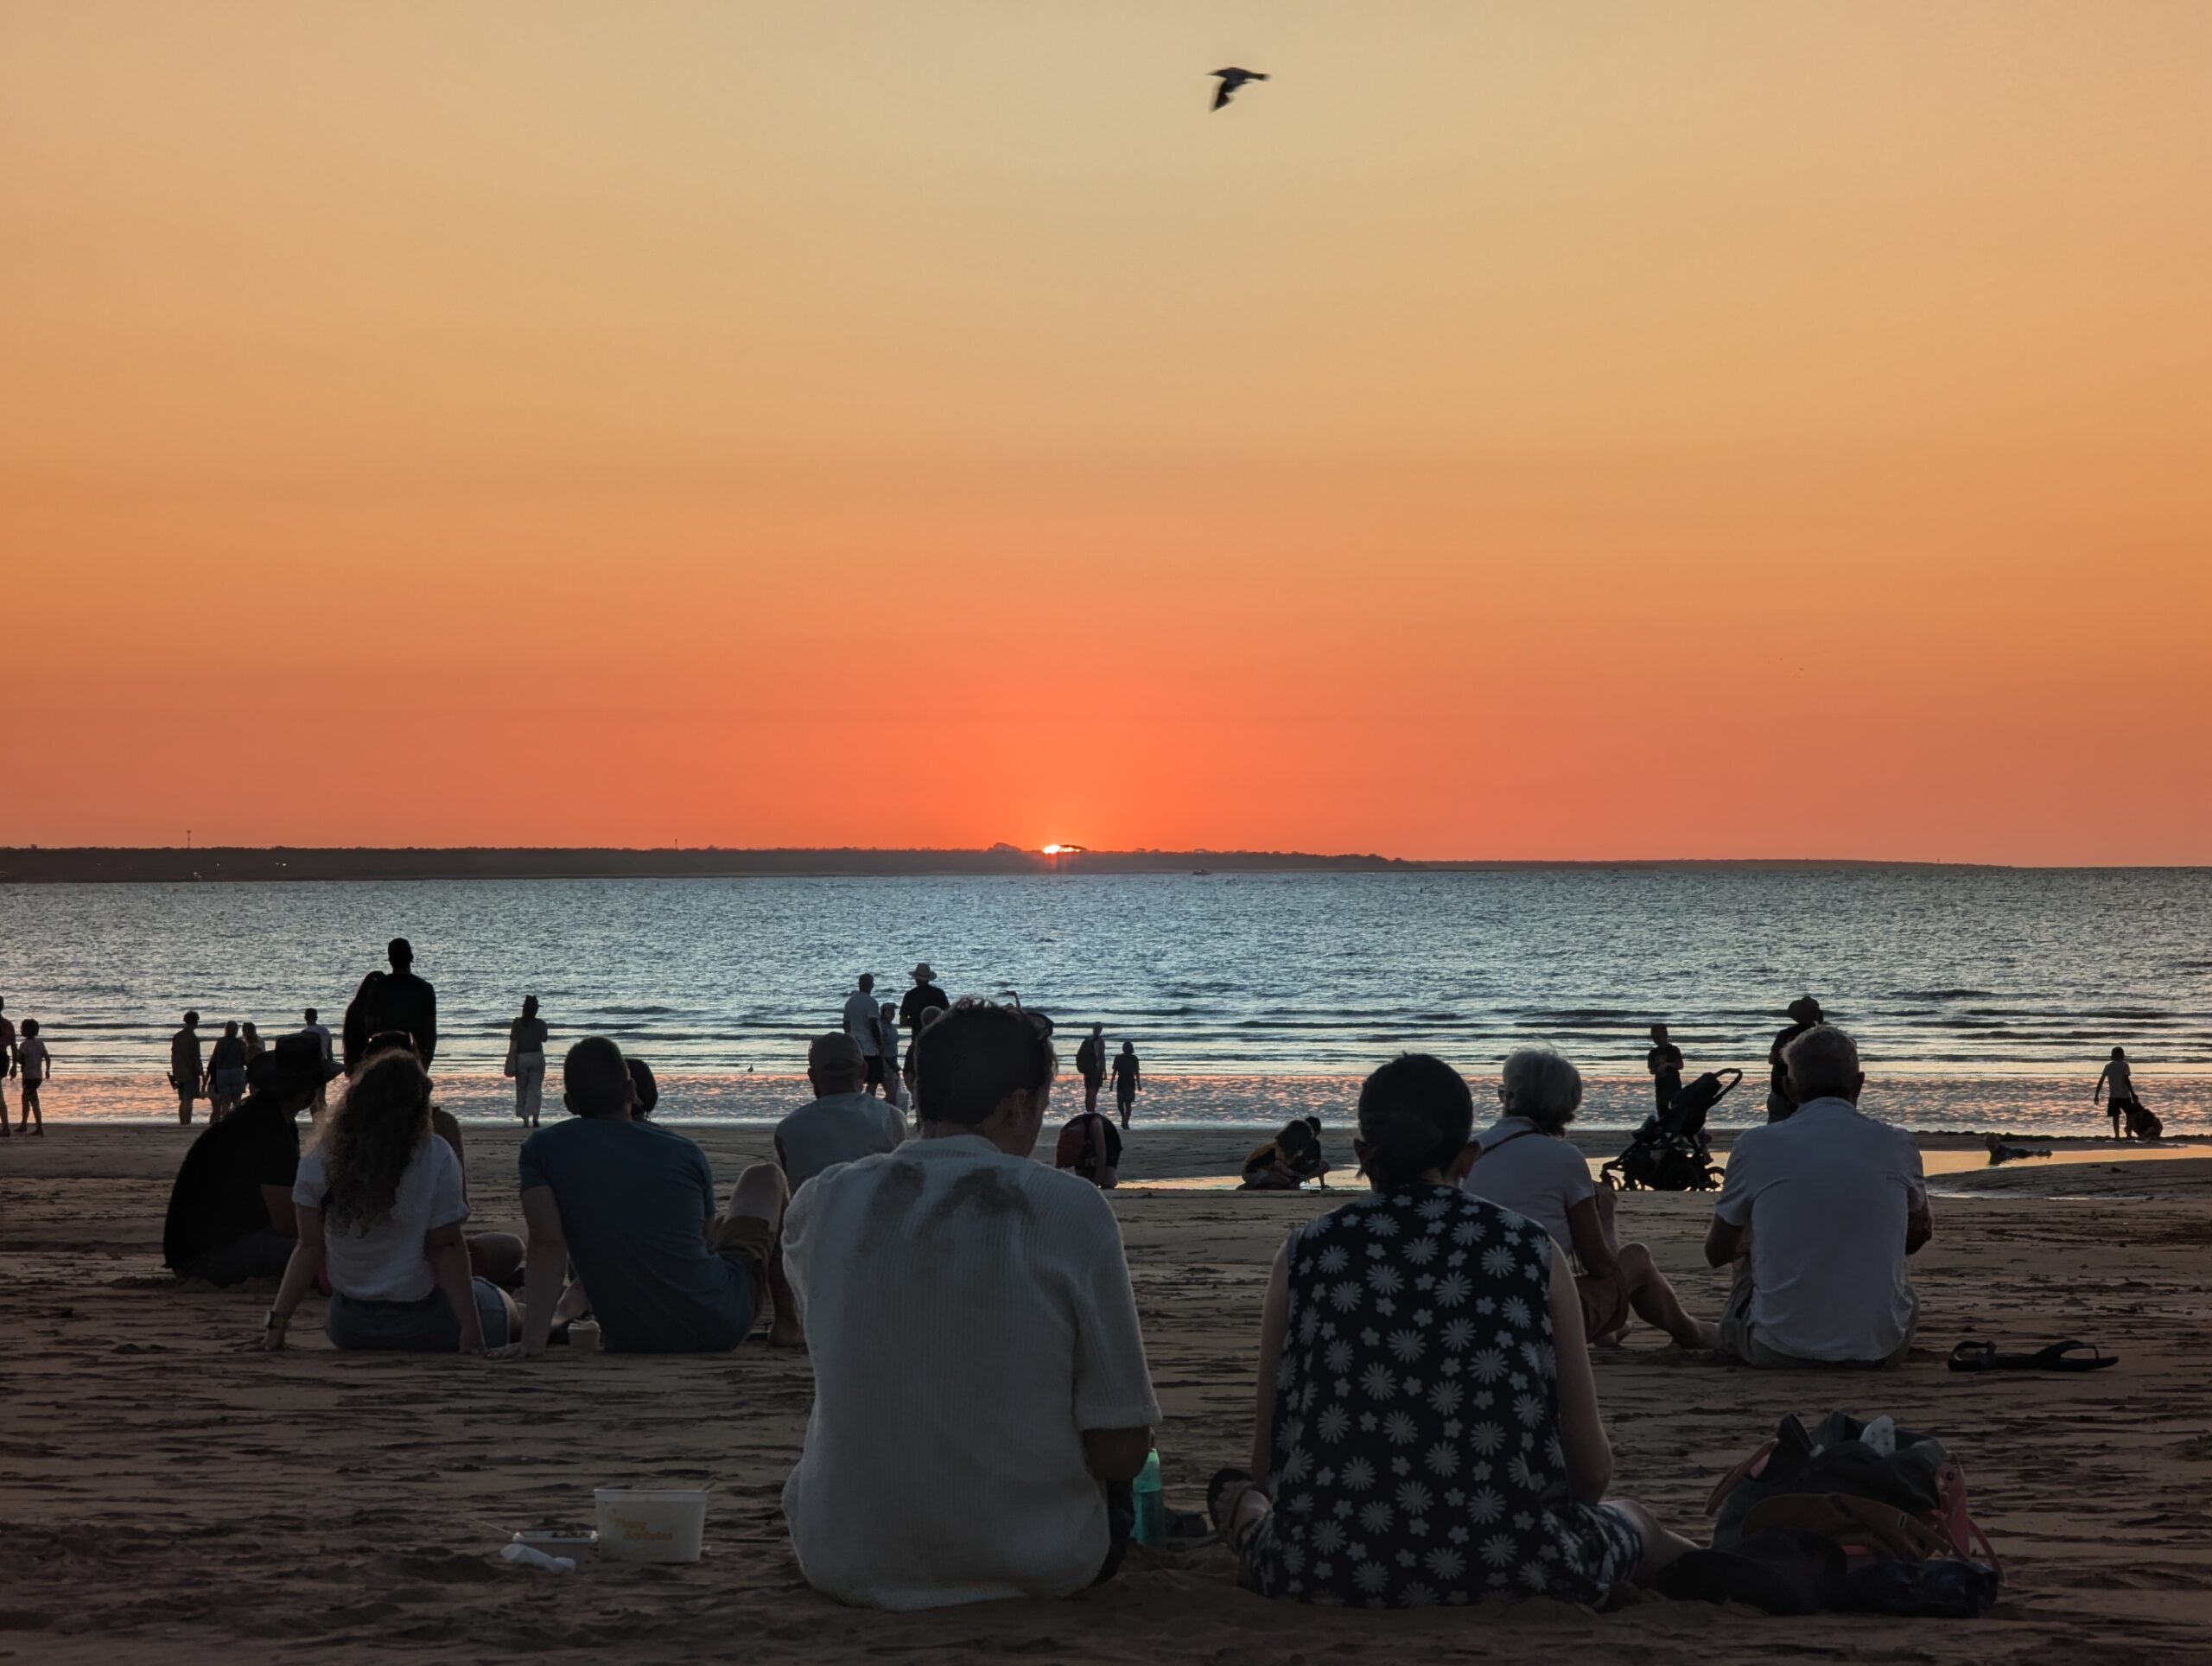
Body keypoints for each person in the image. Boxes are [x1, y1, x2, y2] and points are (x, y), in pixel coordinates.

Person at [1215, 1052, 1693, 1608]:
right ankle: (1744, 1573)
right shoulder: (1530, 1249)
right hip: (1518, 1563)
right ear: (1469, 1158)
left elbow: (1268, 1467)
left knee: (1240, 1499)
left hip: (1324, 1565)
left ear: (1363, 1156)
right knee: (1637, 1521)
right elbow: (1591, 1473)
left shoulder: (1303, 1253)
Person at [780, 998, 1160, 1609]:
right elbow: (1121, 1450)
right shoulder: (1068, 1207)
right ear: (1016, 1105)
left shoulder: (820, 1203)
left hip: (843, 1556)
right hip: (1039, 1559)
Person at [513, 1037, 787, 1356]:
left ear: (570, 1104)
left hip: (631, 1336)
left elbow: (547, 1245)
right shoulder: (684, 1152)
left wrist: (532, 1341)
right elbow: (702, 1240)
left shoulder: (541, 1150)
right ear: (632, 1092)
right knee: (766, 1176)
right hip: (720, 1321)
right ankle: (788, 1323)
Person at [1705, 1025, 1931, 1369]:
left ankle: (1772, 1323)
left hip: (1777, 1349)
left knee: (1748, 1237)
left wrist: (1757, 1240)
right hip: (1882, 1349)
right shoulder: (1898, 1144)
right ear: (1858, 1084)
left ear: (1788, 1088)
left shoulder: (1755, 1145)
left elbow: (1717, 1251)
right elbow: (1919, 1233)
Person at [262, 1048, 514, 1353]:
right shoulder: (434, 1153)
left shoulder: (320, 1158)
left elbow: (308, 1247)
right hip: (425, 1320)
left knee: (495, 1292)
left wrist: (277, 1327)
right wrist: (471, 1331)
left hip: (348, 1325)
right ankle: (557, 1320)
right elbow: (444, 1246)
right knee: (504, 1304)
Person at [1465, 1046, 1716, 1351]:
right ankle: (1691, 1332)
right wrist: (1605, 1211)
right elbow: (1600, 1266)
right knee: (1636, 1257)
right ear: (1568, 1106)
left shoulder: (1468, 1152)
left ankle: (1608, 1333)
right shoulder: (1564, 1159)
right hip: (1534, 1325)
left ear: (1505, 1096)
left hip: (1471, 1316)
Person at [161, 1036, 339, 1285]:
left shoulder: (267, 1118)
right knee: (334, 1256)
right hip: (211, 1254)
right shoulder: (267, 1128)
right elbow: (286, 1222)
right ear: (308, 1094)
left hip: (214, 1243)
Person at [341, 938, 437, 1071]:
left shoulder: (378, 987)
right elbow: (430, 1033)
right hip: (412, 1058)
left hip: (381, 1056)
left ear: (390, 961)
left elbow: (370, 1027)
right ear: (411, 958)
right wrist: (425, 1064)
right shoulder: (425, 989)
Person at [1764, 995, 1824, 1121]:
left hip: (1781, 1088)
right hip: (1812, 1091)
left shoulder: (1785, 1035)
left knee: (1776, 1124)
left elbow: (1772, 1059)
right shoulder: (1824, 1036)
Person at [1241, 1117, 1330, 1190]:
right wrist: (1293, 1175)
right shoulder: (1277, 1148)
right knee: (1285, 1183)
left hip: (1270, 1171)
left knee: (1286, 1182)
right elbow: (1277, 1165)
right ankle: (1252, 1187)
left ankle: (1269, 1185)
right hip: (1253, 1171)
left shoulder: (1290, 1151)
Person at [1053, 1108, 1123, 1188]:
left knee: (1108, 1182)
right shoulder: (1066, 1134)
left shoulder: (1095, 1125)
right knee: (1084, 1181)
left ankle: (1106, 1175)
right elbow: (1059, 1162)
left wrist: (1095, 1186)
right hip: (1083, 1140)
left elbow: (1102, 1157)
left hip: (1109, 1141)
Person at [507, 995, 549, 1128]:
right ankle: (535, 1117)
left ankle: (525, 1119)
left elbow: (513, 1040)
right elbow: (544, 1039)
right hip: (537, 1057)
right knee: (535, 1089)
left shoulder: (518, 1023)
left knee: (522, 1089)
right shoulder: (541, 1024)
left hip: (521, 1057)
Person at [843, 973, 885, 1097]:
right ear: (871, 985)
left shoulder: (850, 1002)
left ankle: (856, 1103)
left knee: (858, 1081)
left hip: (855, 1047)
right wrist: (879, 1043)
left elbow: (846, 1024)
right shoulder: (871, 1002)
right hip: (870, 1048)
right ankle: (869, 1104)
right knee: (872, 1082)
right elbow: (873, 1024)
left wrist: (850, 1039)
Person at [2094, 1046, 2140, 1138]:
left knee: (2115, 1116)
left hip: (2114, 1095)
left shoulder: (2108, 1066)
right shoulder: (2124, 1065)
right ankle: (2128, 1134)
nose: (2123, 1055)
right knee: (2130, 1114)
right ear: (2120, 1055)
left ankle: (2117, 1136)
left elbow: (2101, 1081)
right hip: (2124, 1095)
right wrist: (2132, 1093)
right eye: (2122, 1053)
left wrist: (2096, 1094)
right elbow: (2126, 1080)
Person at [207, 1021, 249, 1120]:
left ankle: (226, 1120)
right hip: (236, 1071)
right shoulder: (241, 1043)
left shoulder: (220, 1042)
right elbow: (246, 1061)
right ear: (236, 1030)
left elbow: (214, 1058)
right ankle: (236, 1120)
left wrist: (207, 1076)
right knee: (236, 1100)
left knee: (225, 1100)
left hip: (222, 1072)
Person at [169, 1011, 206, 1124]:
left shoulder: (178, 1036)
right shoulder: (193, 1038)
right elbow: (195, 1057)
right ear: (195, 1022)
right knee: (188, 1100)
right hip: (190, 1072)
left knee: (183, 1099)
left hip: (179, 1070)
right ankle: (187, 1122)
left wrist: (174, 1071)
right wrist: (201, 1071)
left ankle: (182, 1122)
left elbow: (173, 1055)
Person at [14, 1019, 48, 1134]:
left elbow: (21, 1061)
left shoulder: (24, 1045)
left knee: (32, 1101)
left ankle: (38, 1127)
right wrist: (47, 1071)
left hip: (28, 1076)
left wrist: (17, 1054)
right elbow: (47, 1057)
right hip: (38, 1076)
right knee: (27, 1099)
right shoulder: (40, 1043)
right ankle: (24, 1124)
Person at [300, 1007, 334, 1111]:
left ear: (305, 1018)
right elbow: (329, 1052)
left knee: (312, 1098)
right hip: (323, 1064)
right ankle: (324, 1122)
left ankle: (316, 1123)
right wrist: (330, 1067)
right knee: (321, 1097)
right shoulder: (325, 1031)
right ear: (316, 1017)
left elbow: (304, 1054)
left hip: (311, 1066)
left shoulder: (304, 1033)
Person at [899, 962, 950, 1031]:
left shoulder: (910, 995)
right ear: (928, 979)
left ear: (916, 979)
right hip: (937, 1034)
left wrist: (914, 1022)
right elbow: (949, 1013)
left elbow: (902, 1021)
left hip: (918, 1035)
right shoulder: (939, 993)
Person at [1645, 1023, 1683, 1114]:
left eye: (1658, 1037)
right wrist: (1657, 1068)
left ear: (1666, 1035)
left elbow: (1680, 1065)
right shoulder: (1653, 1052)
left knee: (1677, 1110)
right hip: (1661, 1086)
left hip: (1674, 1085)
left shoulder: (1674, 1050)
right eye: (1654, 1038)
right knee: (1662, 1111)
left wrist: (1667, 1064)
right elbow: (1651, 1070)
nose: (1657, 1040)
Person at [876, 1000, 906, 1113]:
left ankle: (889, 1111)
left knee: (895, 1091)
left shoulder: (891, 1026)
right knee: (891, 1091)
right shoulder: (881, 1027)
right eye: (890, 1011)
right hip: (886, 1060)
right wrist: (885, 1065)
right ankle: (884, 1112)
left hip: (893, 1060)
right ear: (883, 1012)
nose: (893, 1013)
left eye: (893, 1011)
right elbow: (879, 1047)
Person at [1074, 1023, 1109, 1115]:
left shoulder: (1086, 1040)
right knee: (1094, 1092)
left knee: (1088, 1091)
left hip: (1087, 1069)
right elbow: (1102, 1056)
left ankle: (1088, 1111)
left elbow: (1079, 1054)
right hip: (1096, 1069)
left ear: (1093, 1029)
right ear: (1100, 1030)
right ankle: (1092, 1112)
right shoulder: (1100, 1041)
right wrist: (1104, 1071)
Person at [1111, 1040, 1140, 1129]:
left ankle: (1126, 1122)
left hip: (1130, 1083)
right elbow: (1115, 1072)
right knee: (1121, 1105)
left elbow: (1136, 1072)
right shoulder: (1118, 1058)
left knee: (1127, 1104)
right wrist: (1111, 1083)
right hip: (1121, 1083)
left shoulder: (1134, 1058)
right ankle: (1124, 1117)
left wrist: (1139, 1084)